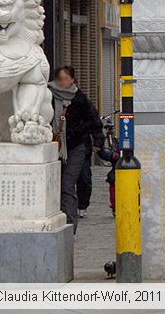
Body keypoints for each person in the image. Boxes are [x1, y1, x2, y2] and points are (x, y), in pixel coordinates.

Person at [50, 66, 104, 230]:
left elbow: (94, 120)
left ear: (72, 80)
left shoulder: (80, 99)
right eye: (59, 79)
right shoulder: (48, 95)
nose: (62, 82)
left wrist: (98, 141)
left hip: (76, 146)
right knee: (56, 183)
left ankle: (70, 224)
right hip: (54, 146)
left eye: (66, 79)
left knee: (68, 182)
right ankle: (58, 217)